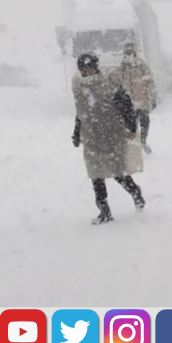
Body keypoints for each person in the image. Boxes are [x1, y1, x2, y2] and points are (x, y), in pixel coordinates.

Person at [71, 53, 146, 224]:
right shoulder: (80, 87)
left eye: (89, 68)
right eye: (83, 69)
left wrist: (132, 126)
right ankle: (104, 211)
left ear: (95, 67)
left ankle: (136, 193)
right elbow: (81, 112)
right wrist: (77, 132)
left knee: (117, 171)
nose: (87, 72)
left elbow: (126, 104)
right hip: (91, 136)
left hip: (111, 134)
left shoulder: (109, 83)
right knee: (96, 175)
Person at [117, 42, 157, 154]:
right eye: (126, 52)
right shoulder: (122, 67)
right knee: (130, 125)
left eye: (130, 52)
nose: (128, 54)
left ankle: (143, 141)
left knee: (144, 122)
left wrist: (153, 97)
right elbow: (118, 84)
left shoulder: (142, 65)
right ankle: (133, 146)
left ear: (135, 53)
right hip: (128, 103)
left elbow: (150, 82)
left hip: (142, 100)